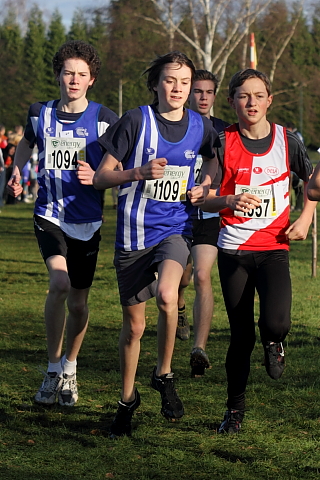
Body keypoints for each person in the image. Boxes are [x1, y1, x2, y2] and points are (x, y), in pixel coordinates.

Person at [93, 51, 218, 437]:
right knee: (133, 327)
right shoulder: (135, 121)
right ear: (155, 85)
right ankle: (127, 400)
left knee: (168, 296)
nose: (178, 88)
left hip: (175, 230)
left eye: (184, 81)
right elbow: (101, 178)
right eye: (170, 80)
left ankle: (163, 373)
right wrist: (137, 172)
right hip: (133, 235)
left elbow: (214, 160)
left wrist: (206, 185)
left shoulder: (200, 126)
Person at [202, 68, 315, 434]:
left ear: (269, 100)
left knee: (276, 323)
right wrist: (229, 199)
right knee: (240, 336)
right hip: (234, 250)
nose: (250, 103)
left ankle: (276, 343)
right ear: (232, 101)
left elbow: (312, 185)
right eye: (242, 96)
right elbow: (203, 197)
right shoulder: (221, 142)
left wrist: (306, 218)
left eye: (257, 95)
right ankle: (234, 411)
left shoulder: (288, 141)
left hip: (273, 248)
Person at [7, 40, 118, 407]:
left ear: (91, 80)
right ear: (58, 75)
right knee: (60, 283)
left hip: (86, 220)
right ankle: (52, 368)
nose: (74, 79)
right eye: (68, 72)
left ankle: (70, 368)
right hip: (49, 214)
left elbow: (121, 161)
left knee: (80, 304)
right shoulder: (41, 112)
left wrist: (100, 175)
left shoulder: (105, 119)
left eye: (81, 74)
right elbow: (27, 141)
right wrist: (17, 169)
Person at [175, 70, 229, 378]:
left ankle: (199, 348)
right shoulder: (174, 123)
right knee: (181, 280)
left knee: (203, 277)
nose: (203, 97)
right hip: (178, 215)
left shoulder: (223, 130)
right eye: (198, 91)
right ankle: (181, 310)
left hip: (209, 213)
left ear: (215, 95)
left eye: (209, 91)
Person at [286, 123, 304, 212]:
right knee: (291, 186)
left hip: (296, 164)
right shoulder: (293, 135)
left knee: (298, 187)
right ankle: (291, 205)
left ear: (290, 128)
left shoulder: (295, 136)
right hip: (291, 165)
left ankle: (298, 206)